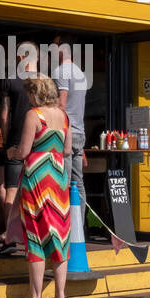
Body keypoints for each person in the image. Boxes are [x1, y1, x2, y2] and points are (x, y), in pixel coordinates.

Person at [7, 74, 72, 298]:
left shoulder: (34, 115)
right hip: (58, 177)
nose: (28, 98)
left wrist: (11, 152)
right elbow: (66, 150)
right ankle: (61, 296)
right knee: (59, 235)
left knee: (35, 235)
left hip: (36, 178)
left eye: (29, 94)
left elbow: (24, 151)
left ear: (35, 93)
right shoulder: (64, 117)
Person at [0, 41, 37, 255]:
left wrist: (5, 138)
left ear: (21, 58)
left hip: (15, 141)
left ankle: (10, 236)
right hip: (38, 142)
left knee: (10, 189)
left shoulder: (11, 80)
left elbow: (4, 113)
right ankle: (36, 238)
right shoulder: (44, 82)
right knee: (37, 189)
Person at [51, 36, 88, 206]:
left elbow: (62, 104)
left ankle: (63, 227)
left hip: (66, 132)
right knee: (78, 183)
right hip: (79, 132)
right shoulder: (80, 73)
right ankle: (78, 228)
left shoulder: (61, 71)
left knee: (63, 181)